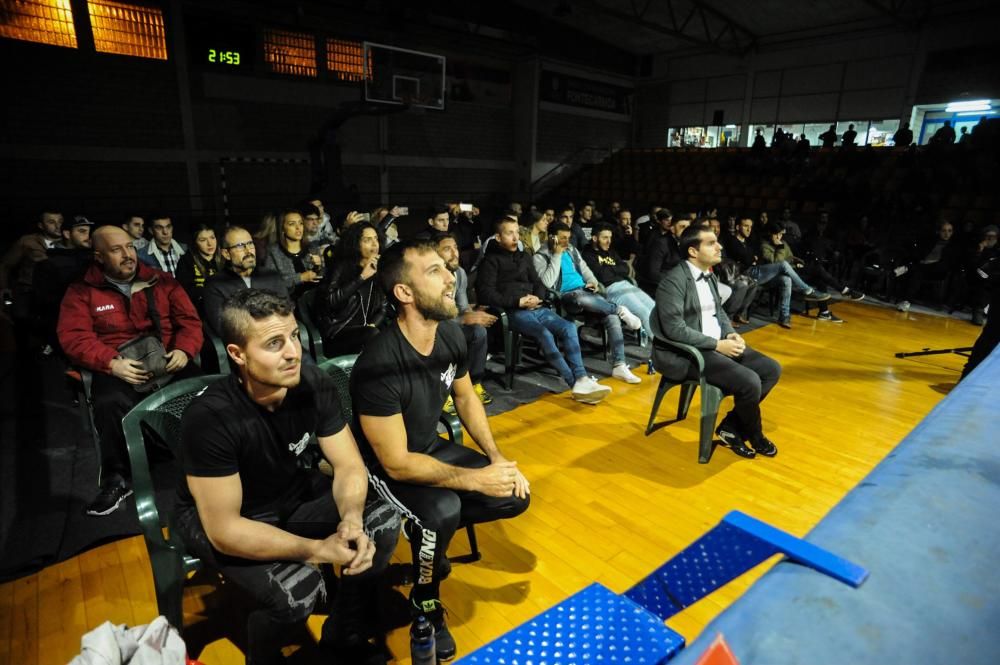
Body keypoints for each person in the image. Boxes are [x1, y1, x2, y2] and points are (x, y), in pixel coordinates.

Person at [175, 288, 400, 664]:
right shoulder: (210, 419)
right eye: (275, 343)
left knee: (380, 522)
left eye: (294, 335)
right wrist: (316, 550)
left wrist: (350, 519)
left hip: (286, 493)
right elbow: (225, 530)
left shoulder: (312, 382)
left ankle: (343, 632)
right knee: (299, 591)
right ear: (238, 355)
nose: (294, 351)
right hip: (220, 519)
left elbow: (348, 464)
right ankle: (261, 651)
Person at [352, 239, 531, 662]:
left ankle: (430, 539)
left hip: (429, 448)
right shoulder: (379, 363)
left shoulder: (449, 332)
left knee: (511, 494)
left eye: (445, 268)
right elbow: (396, 463)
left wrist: (496, 460)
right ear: (404, 293)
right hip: (381, 469)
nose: (451, 275)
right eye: (434, 271)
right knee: (443, 510)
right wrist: (471, 479)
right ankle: (426, 600)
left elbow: (466, 398)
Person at [57, 226, 203, 516]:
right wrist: (112, 363)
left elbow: (189, 321)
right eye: (116, 250)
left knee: (207, 395)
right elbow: (74, 337)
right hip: (120, 367)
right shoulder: (81, 291)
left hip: (166, 360)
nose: (127, 255)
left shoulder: (162, 281)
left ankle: (214, 461)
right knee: (109, 403)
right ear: (98, 256)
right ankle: (117, 478)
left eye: (130, 247)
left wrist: (184, 350)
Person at [654, 226, 783, 459]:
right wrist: (716, 344)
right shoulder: (672, 282)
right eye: (711, 243)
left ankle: (730, 428)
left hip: (716, 344)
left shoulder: (710, 275)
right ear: (693, 251)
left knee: (772, 370)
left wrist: (729, 333)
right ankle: (755, 435)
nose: (720, 246)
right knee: (750, 381)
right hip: (689, 353)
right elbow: (674, 330)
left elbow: (719, 312)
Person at [477, 218, 613, 403]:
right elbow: (486, 294)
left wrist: (537, 298)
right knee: (545, 334)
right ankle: (574, 383)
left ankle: (582, 378)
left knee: (569, 328)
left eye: (517, 232)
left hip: (536, 306)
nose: (516, 237)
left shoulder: (524, 256)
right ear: (498, 237)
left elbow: (538, 283)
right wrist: (518, 301)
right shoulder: (490, 261)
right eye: (510, 233)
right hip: (512, 311)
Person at [534, 223, 643, 384]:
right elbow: (547, 283)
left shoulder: (571, 250)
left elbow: (585, 269)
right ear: (552, 237)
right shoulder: (540, 256)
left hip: (585, 291)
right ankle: (620, 309)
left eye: (568, 238)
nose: (566, 241)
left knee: (611, 317)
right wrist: (556, 255)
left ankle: (619, 364)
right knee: (581, 298)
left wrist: (592, 281)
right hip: (565, 297)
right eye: (563, 238)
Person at [724, 217, 830, 329]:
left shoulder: (751, 241)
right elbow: (750, 259)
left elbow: (757, 257)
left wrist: (753, 259)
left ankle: (784, 317)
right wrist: (776, 248)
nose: (749, 229)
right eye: (746, 226)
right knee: (783, 265)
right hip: (745, 273)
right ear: (737, 227)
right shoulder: (733, 241)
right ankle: (807, 290)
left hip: (760, 272)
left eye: (750, 227)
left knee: (786, 279)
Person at [433, 231, 496, 411]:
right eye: (447, 249)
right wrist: (463, 319)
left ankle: (474, 382)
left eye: (456, 248)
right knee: (446, 335)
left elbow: (462, 306)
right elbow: (434, 317)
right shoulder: (432, 278)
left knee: (478, 331)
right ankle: (442, 390)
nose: (455, 253)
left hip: (451, 323)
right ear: (435, 254)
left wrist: (473, 314)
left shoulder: (459, 273)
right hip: (433, 328)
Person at [314, 222, 386, 355]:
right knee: (373, 336)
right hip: (339, 333)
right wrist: (362, 277)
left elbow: (383, 308)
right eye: (367, 240)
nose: (374, 244)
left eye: (376, 238)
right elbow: (330, 302)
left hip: (367, 331)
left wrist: (372, 324)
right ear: (355, 244)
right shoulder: (341, 267)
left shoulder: (379, 269)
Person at [202, 226, 285, 336]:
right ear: (226, 254)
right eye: (240, 246)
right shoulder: (215, 285)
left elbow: (286, 312)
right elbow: (224, 326)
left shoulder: (271, 276)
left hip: (278, 337)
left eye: (250, 244)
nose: (248, 250)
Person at [760, 223, 846, 322]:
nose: (779, 237)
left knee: (820, 278)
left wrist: (798, 262)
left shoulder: (783, 242)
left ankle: (824, 313)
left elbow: (790, 257)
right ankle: (842, 290)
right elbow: (777, 264)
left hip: (793, 271)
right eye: (777, 235)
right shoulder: (764, 246)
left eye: (781, 234)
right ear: (770, 233)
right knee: (818, 269)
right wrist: (780, 247)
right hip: (779, 276)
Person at [583, 223, 655, 340]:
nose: (608, 241)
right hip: (610, 290)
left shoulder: (611, 252)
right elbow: (603, 276)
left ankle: (666, 342)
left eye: (610, 237)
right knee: (644, 313)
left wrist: (611, 269)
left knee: (654, 307)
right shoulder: (588, 255)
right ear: (595, 238)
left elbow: (625, 268)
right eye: (605, 238)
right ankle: (660, 349)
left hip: (626, 285)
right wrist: (616, 270)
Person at [34, 215, 94, 351]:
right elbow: (45, 303)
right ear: (67, 234)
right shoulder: (48, 265)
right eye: (82, 231)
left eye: (89, 231)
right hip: (66, 327)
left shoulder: (95, 259)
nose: (88, 235)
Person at [0, 210, 64, 312]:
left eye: (60, 221)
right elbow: (5, 265)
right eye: (51, 222)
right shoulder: (27, 241)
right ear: (41, 225)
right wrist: (4, 289)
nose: (58, 226)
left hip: (56, 295)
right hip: (28, 293)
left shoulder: (69, 242)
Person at [267, 208, 323, 301]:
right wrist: (300, 278)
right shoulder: (274, 252)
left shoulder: (312, 248)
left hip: (313, 301)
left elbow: (322, 278)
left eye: (300, 223)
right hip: (287, 303)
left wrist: (319, 267)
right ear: (282, 228)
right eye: (292, 224)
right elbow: (272, 284)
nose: (298, 227)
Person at [174, 222, 222, 313]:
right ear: (195, 242)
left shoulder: (224, 258)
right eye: (203, 240)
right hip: (198, 310)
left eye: (212, 238)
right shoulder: (186, 261)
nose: (210, 243)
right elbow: (185, 291)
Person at [636, 209, 678, 294]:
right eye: (666, 220)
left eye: (671, 220)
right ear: (659, 221)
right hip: (651, 274)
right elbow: (649, 256)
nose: (669, 223)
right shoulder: (652, 235)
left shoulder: (672, 236)